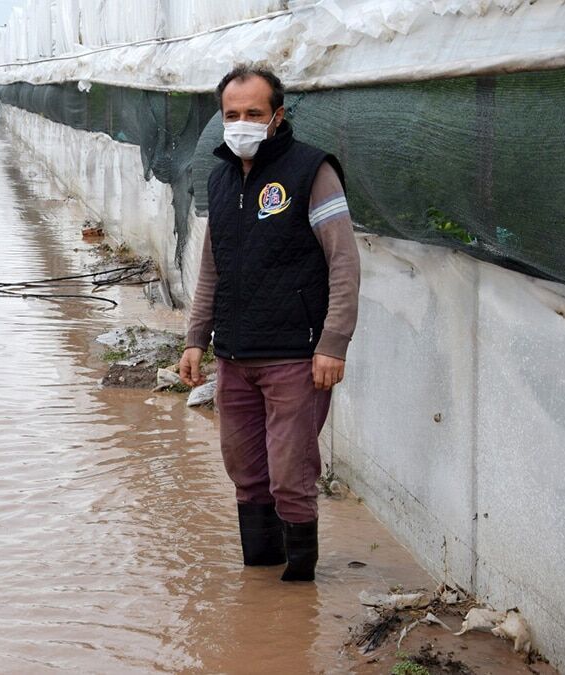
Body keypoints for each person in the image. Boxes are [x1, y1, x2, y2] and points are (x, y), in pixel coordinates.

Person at [178, 65, 360, 582]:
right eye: (232, 114)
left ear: (277, 115)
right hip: (234, 357)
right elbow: (212, 267)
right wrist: (196, 338)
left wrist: (333, 342)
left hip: (295, 356)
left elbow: (344, 261)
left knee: (290, 475)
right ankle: (261, 586)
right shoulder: (219, 179)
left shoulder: (312, 171)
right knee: (246, 472)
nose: (242, 124)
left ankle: (299, 590)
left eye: (253, 113)